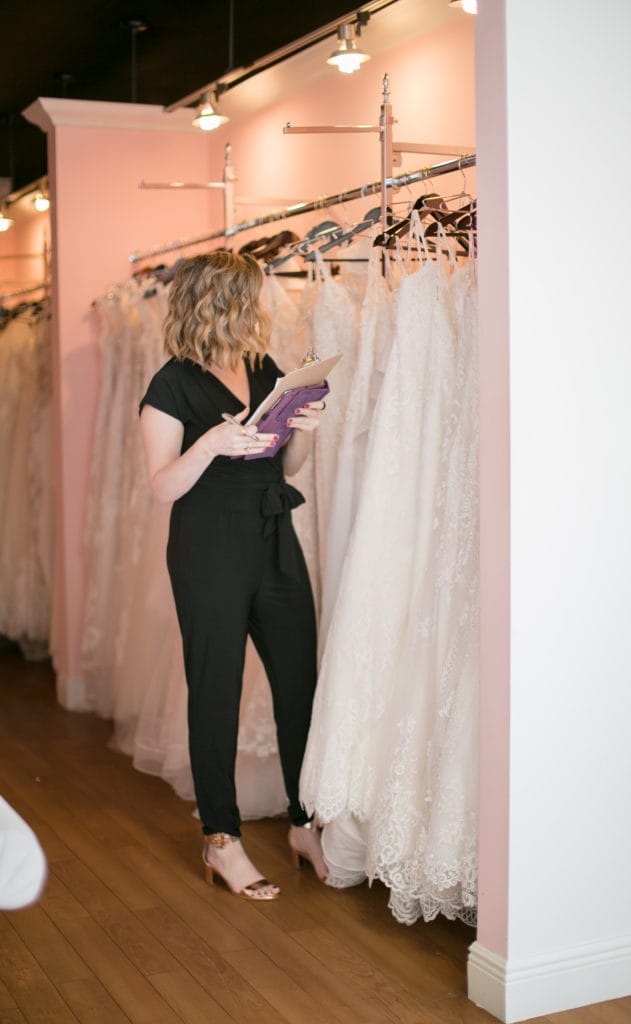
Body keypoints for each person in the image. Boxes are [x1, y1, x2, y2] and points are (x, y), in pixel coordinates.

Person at [139, 251, 327, 900]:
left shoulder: (263, 368)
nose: (260, 307)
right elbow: (162, 486)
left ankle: (305, 821)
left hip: (274, 541)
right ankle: (221, 839)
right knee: (214, 690)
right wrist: (207, 445)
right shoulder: (171, 385)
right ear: (216, 300)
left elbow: (288, 468)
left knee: (300, 684)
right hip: (207, 553)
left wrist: (304, 431)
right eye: (249, 296)